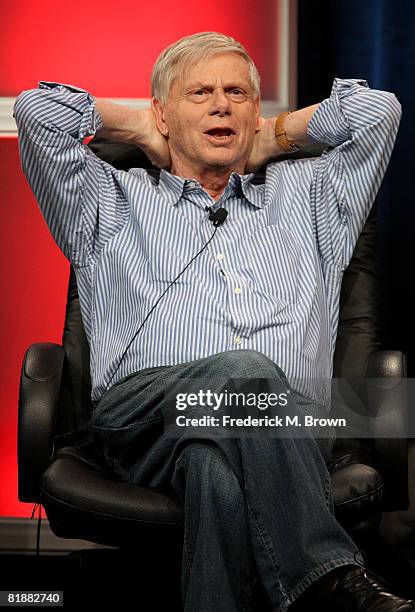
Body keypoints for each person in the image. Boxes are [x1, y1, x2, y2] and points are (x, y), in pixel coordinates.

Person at [14, 30, 410, 612]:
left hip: (288, 431)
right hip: (143, 421)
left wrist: (275, 136)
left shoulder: (313, 197)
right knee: (246, 370)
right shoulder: (110, 200)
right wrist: (139, 125)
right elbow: (36, 111)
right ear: (164, 113)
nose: (221, 104)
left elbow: (380, 111)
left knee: (215, 470)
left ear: (255, 112)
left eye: (237, 93)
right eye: (198, 93)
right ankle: (332, 577)